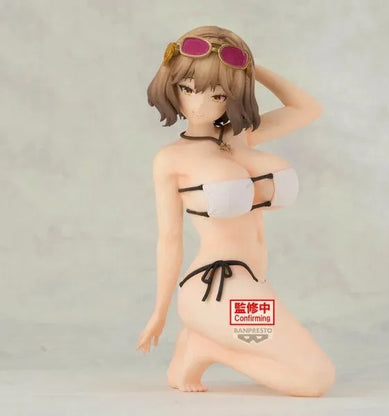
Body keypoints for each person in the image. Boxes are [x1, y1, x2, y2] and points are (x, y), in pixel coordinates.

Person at [136, 25, 335, 396]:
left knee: (308, 370)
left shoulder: (240, 137)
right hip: (215, 288)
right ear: (171, 86)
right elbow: (169, 239)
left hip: (254, 285)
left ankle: (203, 345)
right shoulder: (171, 159)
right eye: (188, 89)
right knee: (314, 379)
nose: (199, 104)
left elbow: (307, 109)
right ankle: (206, 346)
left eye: (217, 93)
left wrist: (250, 70)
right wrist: (160, 312)